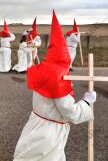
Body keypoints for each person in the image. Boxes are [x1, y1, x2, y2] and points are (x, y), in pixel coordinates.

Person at [13, 10, 96, 161]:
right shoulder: (58, 77)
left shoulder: (43, 70)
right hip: (49, 133)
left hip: (35, 124)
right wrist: (86, 102)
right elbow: (69, 111)